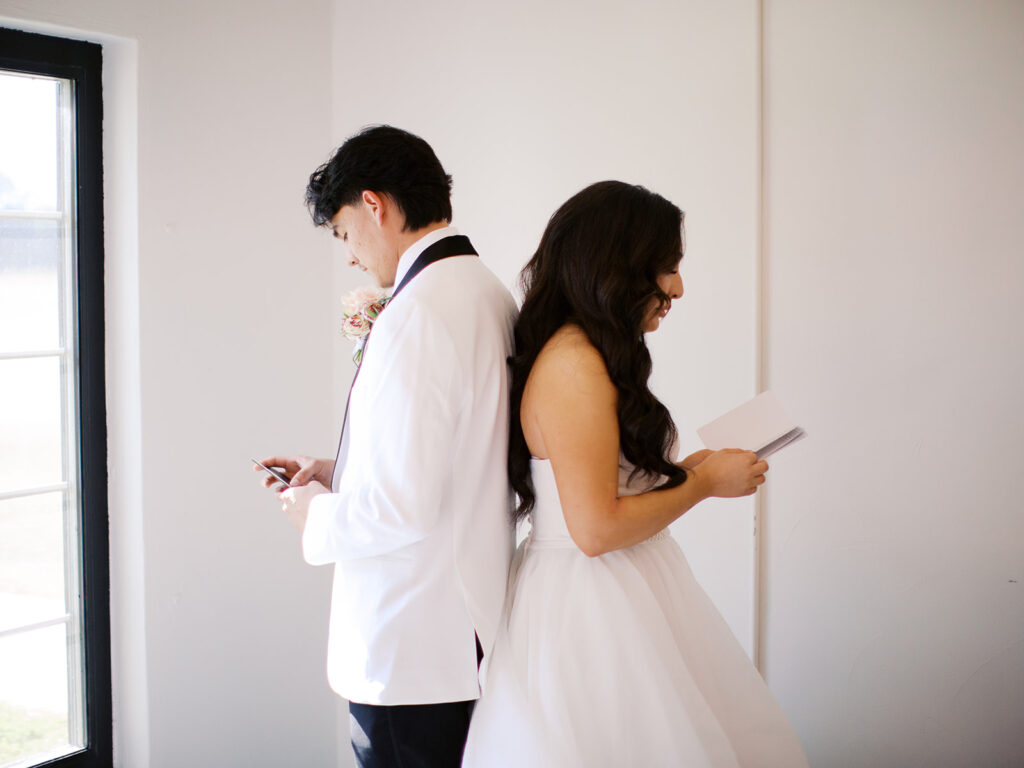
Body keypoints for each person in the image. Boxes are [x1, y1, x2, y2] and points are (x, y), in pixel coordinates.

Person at [462, 181, 810, 767]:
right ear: (617, 266)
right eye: (666, 266)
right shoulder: (573, 366)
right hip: (590, 606)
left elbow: (605, 486)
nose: (677, 286)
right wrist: (702, 485)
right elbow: (595, 530)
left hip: (622, 586)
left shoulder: (589, 355)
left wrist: (687, 470)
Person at [256, 125, 517, 768]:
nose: (349, 255)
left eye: (344, 232)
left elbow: (402, 506)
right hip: (464, 623)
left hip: (414, 641)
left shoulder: (417, 312)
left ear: (375, 205)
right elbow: (456, 453)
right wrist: (339, 469)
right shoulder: (487, 291)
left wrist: (313, 514)